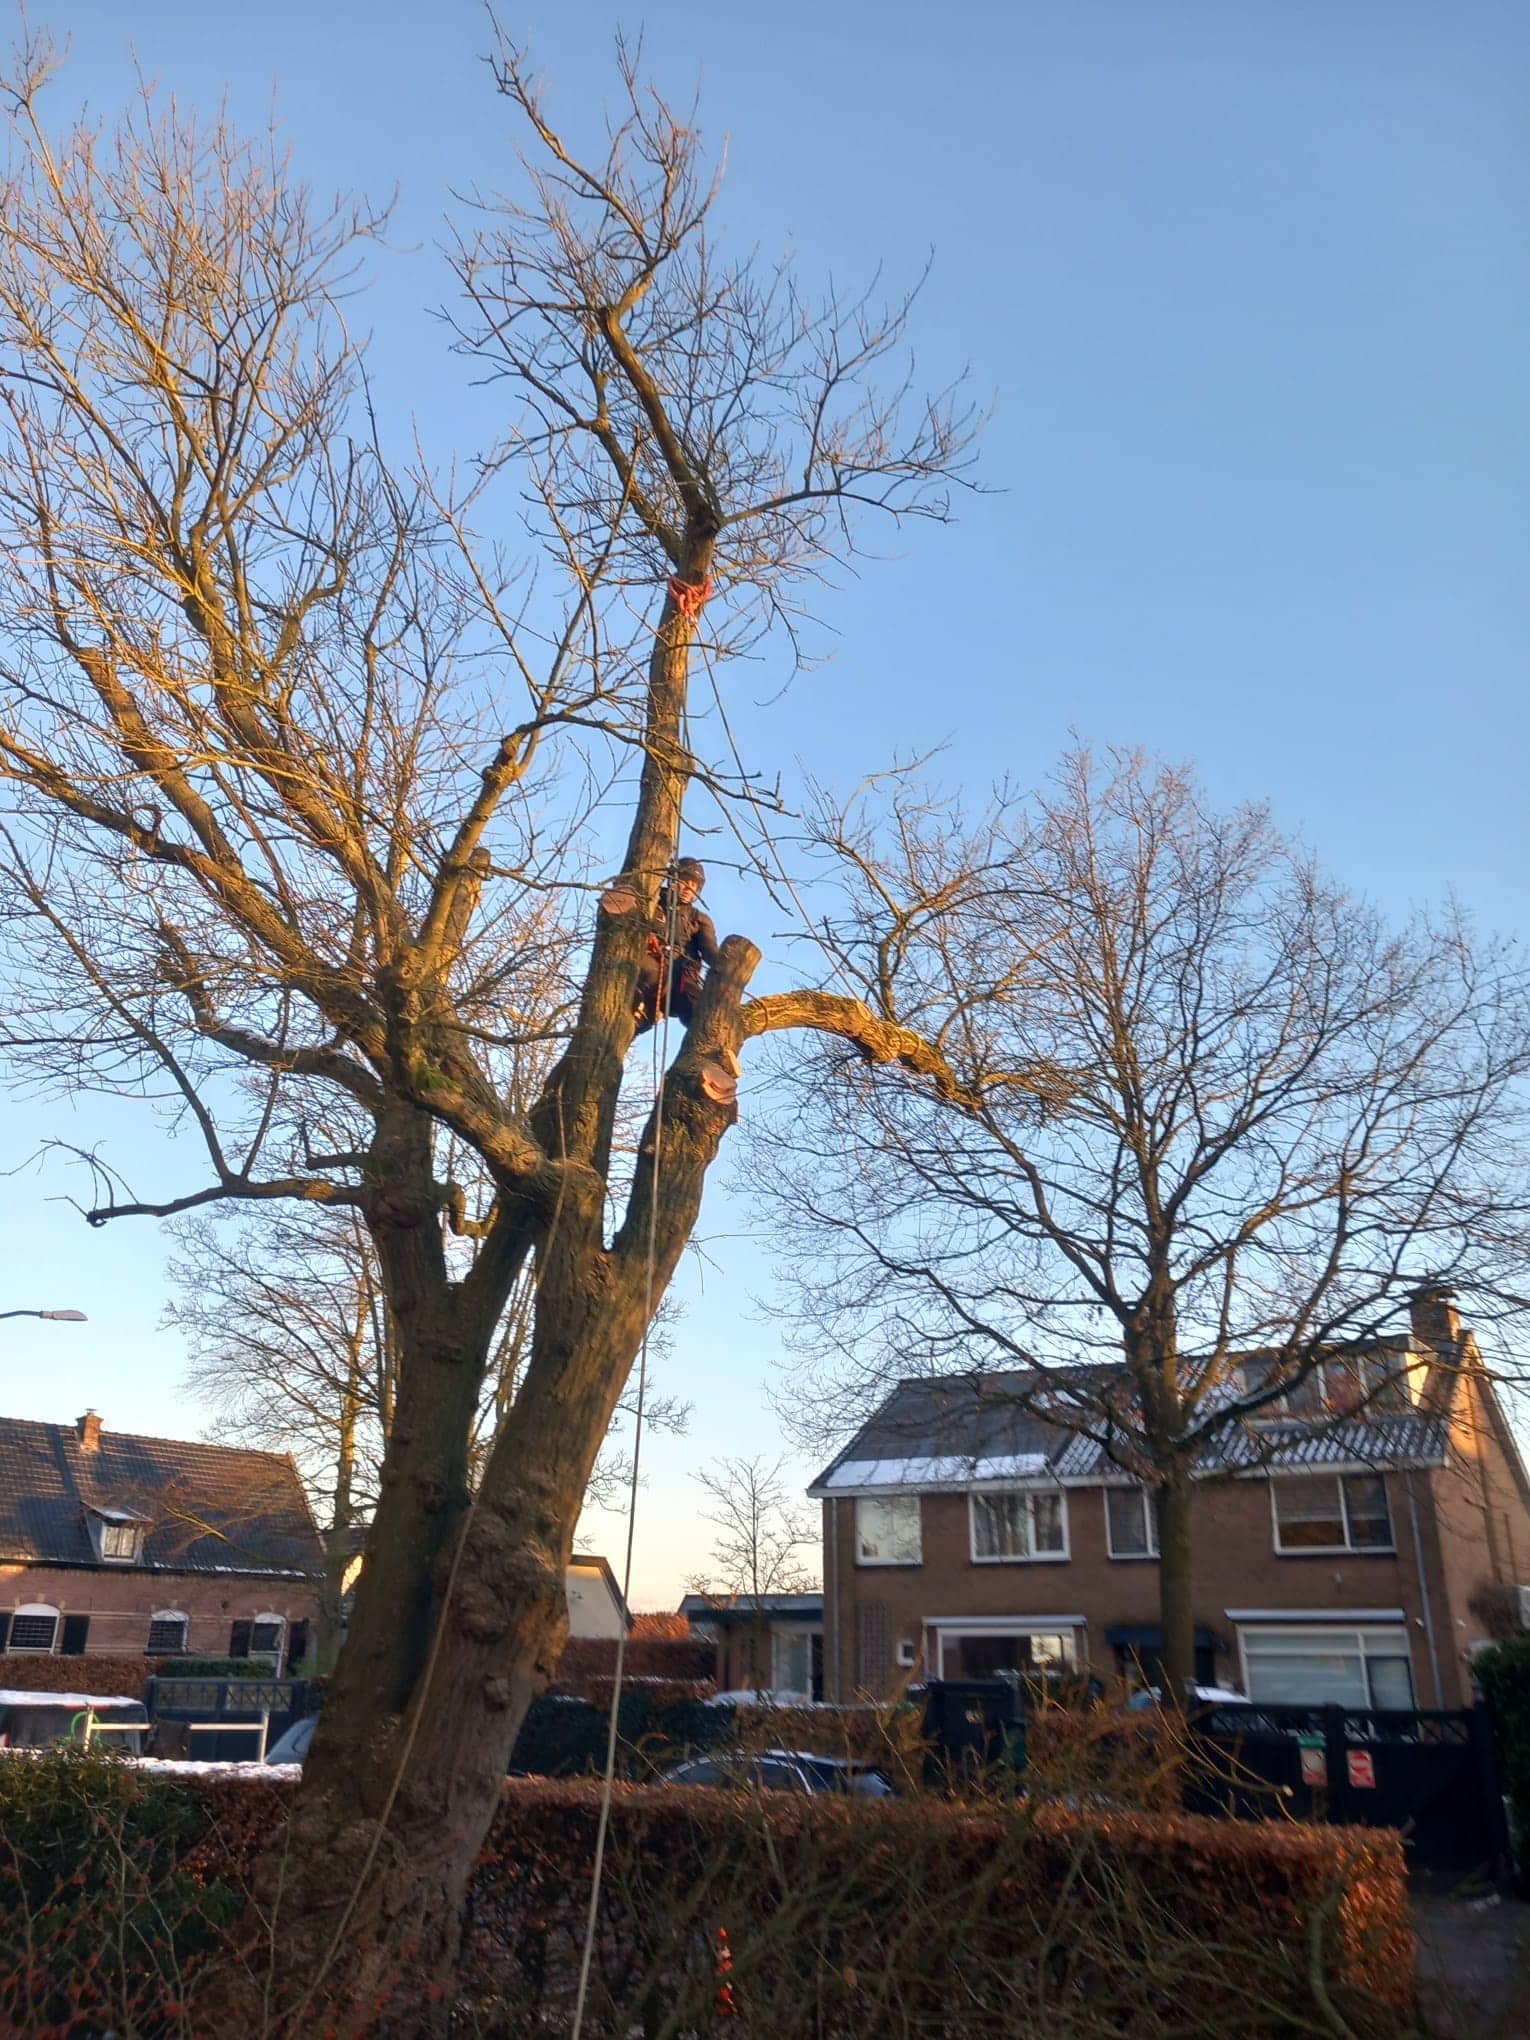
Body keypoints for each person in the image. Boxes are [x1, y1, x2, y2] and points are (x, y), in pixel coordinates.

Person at [634, 856, 719, 1033]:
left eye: (694, 885)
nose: (689, 888)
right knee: (643, 968)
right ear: (673, 879)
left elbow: (710, 951)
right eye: (684, 881)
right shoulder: (653, 902)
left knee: (700, 1015)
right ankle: (640, 1013)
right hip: (652, 968)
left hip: (681, 981)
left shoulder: (699, 920)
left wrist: (726, 964)